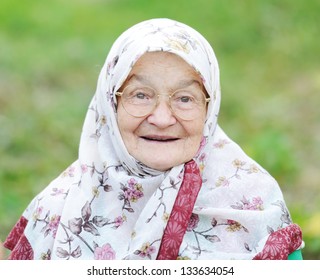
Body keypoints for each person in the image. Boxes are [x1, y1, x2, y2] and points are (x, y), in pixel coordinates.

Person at [3, 18, 303, 260]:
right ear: (110, 104)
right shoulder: (58, 208)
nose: (161, 118)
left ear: (209, 109)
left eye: (185, 98)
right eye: (141, 95)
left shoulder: (252, 203)